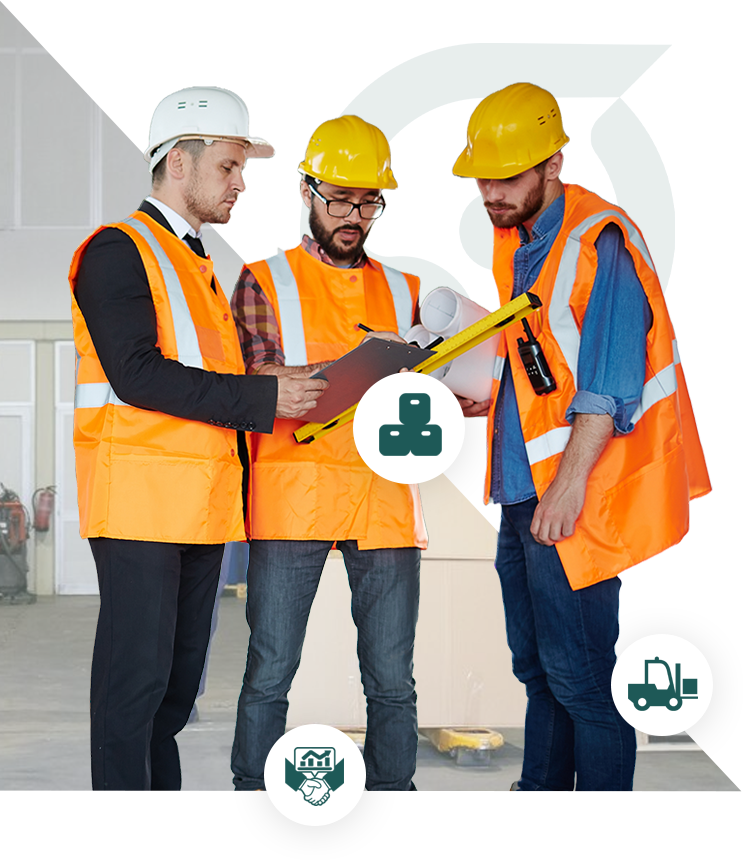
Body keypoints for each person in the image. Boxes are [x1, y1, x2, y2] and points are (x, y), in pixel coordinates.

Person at [452, 82, 711, 793]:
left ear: (554, 163)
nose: (491, 193)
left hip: (573, 498)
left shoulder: (601, 240)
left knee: (583, 678)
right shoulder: (519, 241)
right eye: (483, 178)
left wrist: (565, 489)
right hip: (518, 493)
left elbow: (609, 383)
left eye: (507, 177)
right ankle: (541, 802)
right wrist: (487, 394)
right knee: (537, 669)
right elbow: (543, 365)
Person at [68, 86, 327, 793]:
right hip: (141, 506)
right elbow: (138, 375)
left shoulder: (201, 268)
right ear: (178, 163)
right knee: (136, 690)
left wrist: (278, 383)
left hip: (202, 508)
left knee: (176, 693)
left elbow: (213, 380)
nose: (240, 183)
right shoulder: (118, 251)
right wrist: (260, 394)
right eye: (228, 166)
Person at [229, 115, 426, 792]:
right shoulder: (261, 281)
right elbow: (252, 380)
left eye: (368, 201)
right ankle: (253, 791)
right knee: (270, 671)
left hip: (384, 500)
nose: (354, 216)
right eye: (340, 200)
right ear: (307, 193)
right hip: (293, 497)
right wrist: (339, 370)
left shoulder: (406, 291)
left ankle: (394, 796)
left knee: (392, 679)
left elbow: (420, 391)